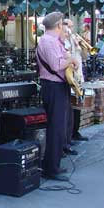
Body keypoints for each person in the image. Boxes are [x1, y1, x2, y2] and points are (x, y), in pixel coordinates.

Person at [35, 12, 78, 181]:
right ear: (59, 25)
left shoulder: (53, 41)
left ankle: (54, 164)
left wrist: (70, 57)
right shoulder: (49, 41)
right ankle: (51, 168)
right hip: (53, 86)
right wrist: (71, 59)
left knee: (60, 126)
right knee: (56, 127)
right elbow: (56, 64)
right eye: (64, 24)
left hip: (58, 85)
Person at [62, 18, 87, 144]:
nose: (71, 30)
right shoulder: (62, 41)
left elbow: (85, 56)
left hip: (78, 75)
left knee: (77, 105)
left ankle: (75, 131)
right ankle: (68, 135)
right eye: (69, 26)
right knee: (70, 107)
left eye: (72, 26)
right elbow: (67, 58)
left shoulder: (74, 39)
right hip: (70, 76)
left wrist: (80, 46)